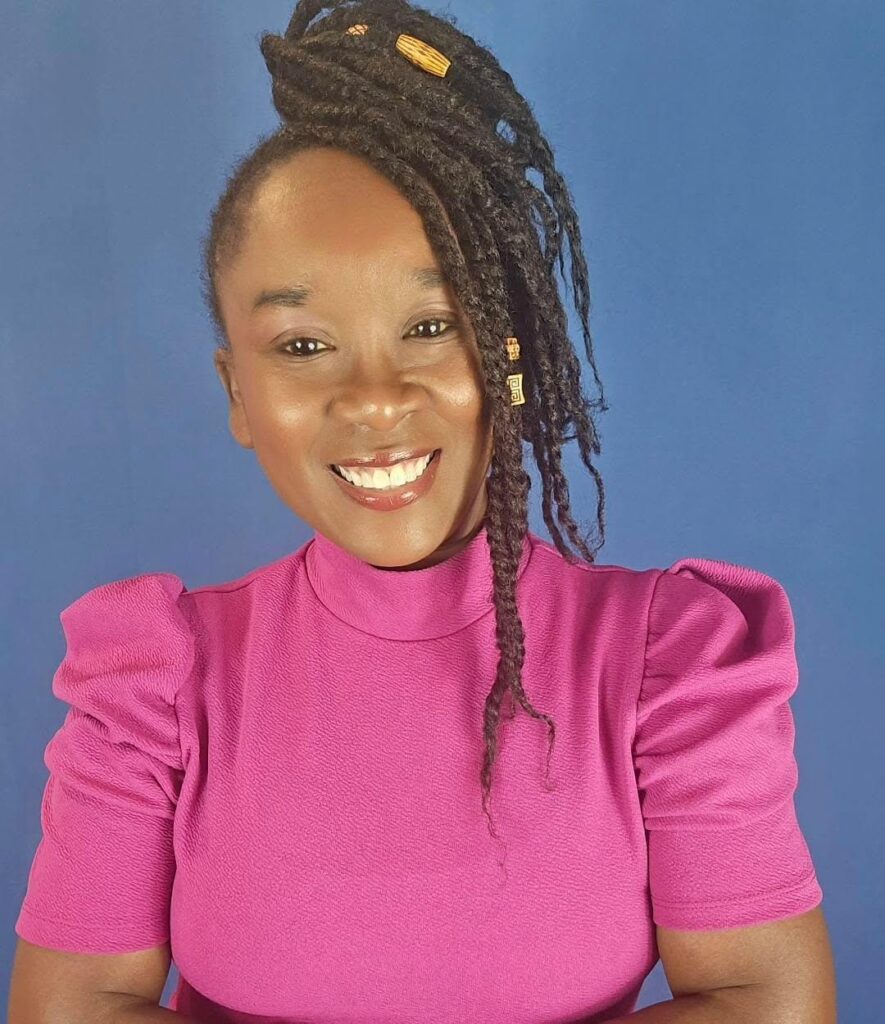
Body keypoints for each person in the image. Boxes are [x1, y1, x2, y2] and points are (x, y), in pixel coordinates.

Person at [10, 2, 836, 1022]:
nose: (374, 399)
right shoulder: (158, 683)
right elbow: (71, 1004)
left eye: (433, 325)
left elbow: (763, 997)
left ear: (513, 348)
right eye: (304, 346)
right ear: (237, 394)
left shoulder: (668, 663)